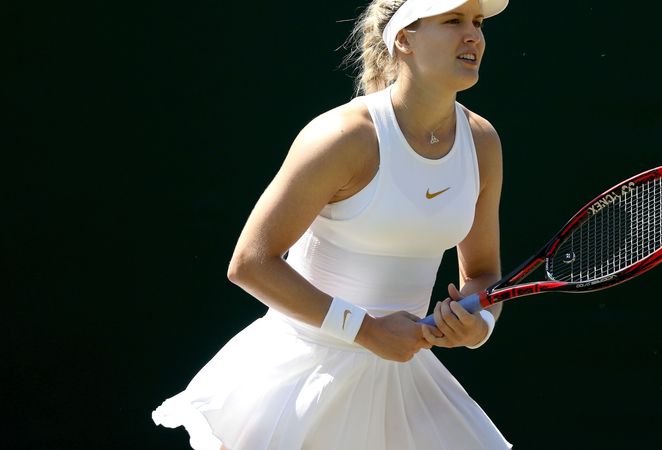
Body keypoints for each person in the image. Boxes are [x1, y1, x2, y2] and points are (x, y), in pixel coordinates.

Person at [152, 0, 511, 448]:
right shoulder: (344, 137)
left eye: (477, 22)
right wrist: (366, 331)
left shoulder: (482, 143)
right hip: (300, 378)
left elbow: (483, 273)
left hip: (404, 379)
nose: (473, 35)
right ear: (404, 39)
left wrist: (479, 325)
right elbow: (250, 263)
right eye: (453, 21)